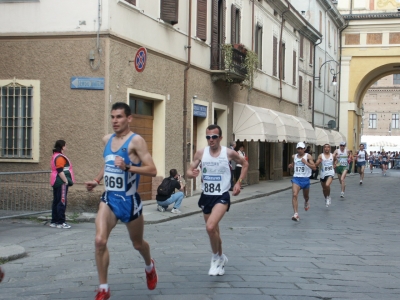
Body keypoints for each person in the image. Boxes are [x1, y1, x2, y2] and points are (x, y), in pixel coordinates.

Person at [85, 102, 158, 300]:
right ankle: (103, 288)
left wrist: (128, 167)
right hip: (109, 199)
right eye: (112, 117)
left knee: (137, 244)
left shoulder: (137, 142)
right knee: (100, 241)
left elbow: (152, 170)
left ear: (129, 118)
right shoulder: (107, 139)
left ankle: (149, 266)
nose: (115, 121)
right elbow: (108, 164)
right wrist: (96, 180)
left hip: (129, 201)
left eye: (119, 117)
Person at [186, 124, 248, 276]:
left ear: (220, 138)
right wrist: (191, 173)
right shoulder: (201, 153)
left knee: (210, 227)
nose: (211, 140)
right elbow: (188, 171)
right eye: (208, 137)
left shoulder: (229, 153)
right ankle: (221, 258)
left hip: (222, 195)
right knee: (214, 231)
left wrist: (239, 182)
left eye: (214, 137)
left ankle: (215, 258)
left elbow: (245, 163)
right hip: (206, 196)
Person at [49, 140, 75, 229]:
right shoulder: (60, 157)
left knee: (56, 201)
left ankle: (54, 221)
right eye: (65, 145)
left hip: (56, 181)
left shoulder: (55, 156)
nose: (66, 147)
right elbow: (60, 170)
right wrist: (66, 181)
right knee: (62, 201)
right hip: (61, 182)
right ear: (62, 147)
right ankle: (61, 222)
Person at [288, 142, 316, 221]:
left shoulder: (308, 156)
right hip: (296, 178)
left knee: (306, 197)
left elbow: (314, 168)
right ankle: (296, 214)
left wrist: (306, 163)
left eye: (301, 149)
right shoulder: (294, 156)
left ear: (304, 149)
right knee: (294, 195)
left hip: (305, 179)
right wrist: (291, 166)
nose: (300, 150)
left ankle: (306, 201)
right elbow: (294, 164)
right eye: (298, 149)